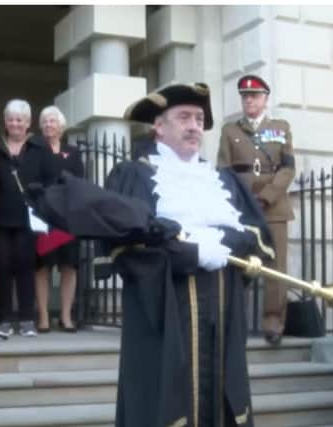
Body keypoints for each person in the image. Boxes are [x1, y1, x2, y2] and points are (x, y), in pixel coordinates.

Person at [104, 83, 274, 426]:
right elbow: (125, 247)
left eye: (198, 119)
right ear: (159, 126)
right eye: (183, 117)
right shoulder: (134, 176)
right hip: (164, 316)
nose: (194, 125)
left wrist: (220, 240)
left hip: (223, 313)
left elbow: (258, 237)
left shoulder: (224, 181)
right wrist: (189, 252)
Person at [217, 74, 295, 345]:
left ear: (265, 99)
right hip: (241, 207)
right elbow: (224, 170)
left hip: (273, 207)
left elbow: (288, 168)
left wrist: (268, 196)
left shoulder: (281, 128)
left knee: (276, 267)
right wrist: (238, 201)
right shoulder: (230, 131)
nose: (249, 100)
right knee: (239, 264)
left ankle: (273, 323)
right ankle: (235, 321)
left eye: (255, 95)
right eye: (245, 96)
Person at [0, 99, 57, 337]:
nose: (15, 123)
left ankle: (27, 319)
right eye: (11, 119)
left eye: (20, 119)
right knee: (1, 267)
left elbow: (52, 180)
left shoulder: (40, 147)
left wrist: (40, 195)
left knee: (26, 267)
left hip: (28, 219)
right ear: (5, 122)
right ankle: (4, 319)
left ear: (28, 123)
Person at [35, 106, 84, 333]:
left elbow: (80, 183)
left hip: (68, 217)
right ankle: (43, 317)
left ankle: (66, 317)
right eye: (44, 121)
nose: (48, 125)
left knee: (69, 267)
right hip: (44, 216)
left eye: (52, 121)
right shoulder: (35, 149)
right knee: (43, 267)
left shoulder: (73, 152)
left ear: (61, 126)